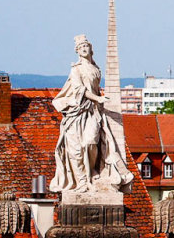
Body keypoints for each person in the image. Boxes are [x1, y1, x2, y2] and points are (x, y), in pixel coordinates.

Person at [50, 34, 133, 193]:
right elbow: (80, 89)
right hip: (78, 111)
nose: (84, 49)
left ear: (91, 49)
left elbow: (94, 87)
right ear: (77, 51)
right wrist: (98, 99)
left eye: (86, 46)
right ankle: (84, 179)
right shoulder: (76, 69)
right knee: (79, 148)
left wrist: (99, 101)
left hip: (94, 111)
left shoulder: (96, 69)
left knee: (91, 141)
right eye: (81, 48)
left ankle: (94, 170)